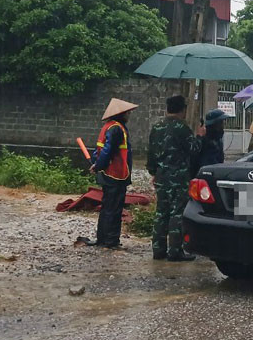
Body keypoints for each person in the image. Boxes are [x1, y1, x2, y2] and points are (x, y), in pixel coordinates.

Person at [147, 95, 205, 261]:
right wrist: (200, 136)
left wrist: (153, 172)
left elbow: (151, 153)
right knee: (177, 213)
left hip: (161, 176)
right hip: (178, 177)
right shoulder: (182, 128)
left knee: (161, 212)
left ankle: (158, 250)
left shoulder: (157, 127)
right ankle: (175, 251)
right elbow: (194, 149)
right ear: (183, 109)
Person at [89, 98, 138, 249]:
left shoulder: (108, 126)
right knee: (114, 209)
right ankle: (111, 241)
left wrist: (97, 164)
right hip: (116, 175)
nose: (129, 115)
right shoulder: (117, 129)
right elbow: (107, 151)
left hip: (108, 174)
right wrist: (99, 165)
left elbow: (99, 150)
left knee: (107, 207)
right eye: (127, 113)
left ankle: (102, 239)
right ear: (121, 114)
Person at [193, 108, 229, 176]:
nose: (222, 126)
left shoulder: (218, 140)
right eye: (220, 123)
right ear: (214, 124)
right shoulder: (204, 140)